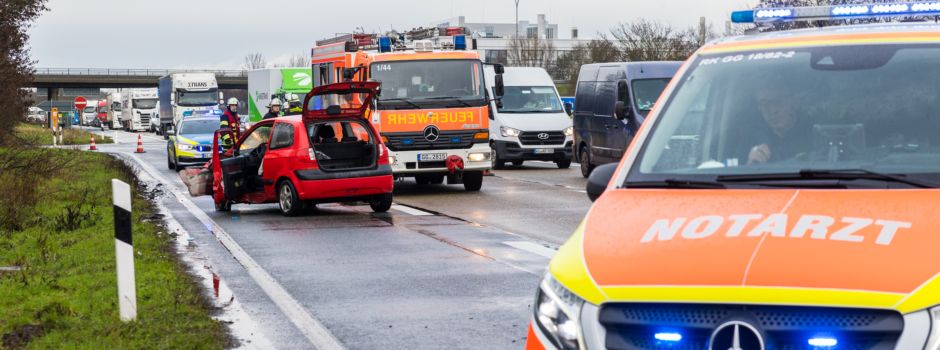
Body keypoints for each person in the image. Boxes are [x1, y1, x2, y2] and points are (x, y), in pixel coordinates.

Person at [747, 84, 810, 164]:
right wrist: (751, 164)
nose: (773, 110)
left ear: (794, 102)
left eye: (778, 101)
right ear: (759, 108)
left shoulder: (815, 135)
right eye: (764, 104)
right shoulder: (750, 141)